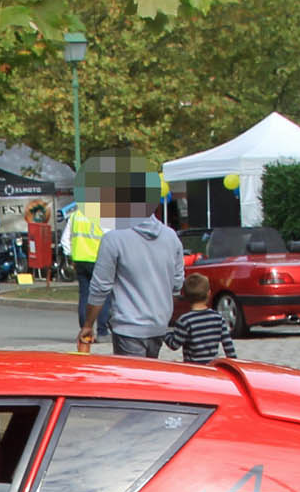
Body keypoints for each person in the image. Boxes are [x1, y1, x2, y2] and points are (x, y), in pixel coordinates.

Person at [77, 153, 182, 357]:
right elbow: (177, 285)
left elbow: (100, 288)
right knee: (149, 382)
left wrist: (88, 324)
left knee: (132, 384)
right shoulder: (171, 237)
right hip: (159, 325)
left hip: (128, 327)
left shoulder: (114, 239)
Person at [60, 198, 109, 339]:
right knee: (103, 295)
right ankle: (102, 331)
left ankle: (85, 329)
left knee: (84, 295)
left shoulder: (76, 215)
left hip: (80, 260)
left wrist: (70, 256)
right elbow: (110, 238)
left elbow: (65, 240)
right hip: (99, 260)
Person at [165, 273, 236, 362]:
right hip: (211, 369)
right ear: (209, 293)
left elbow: (174, 345)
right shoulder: (218, 318)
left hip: (194, 369)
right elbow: (228, 345)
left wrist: (165, 332)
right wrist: (234, 362)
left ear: (185, 296)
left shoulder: (185, 320)